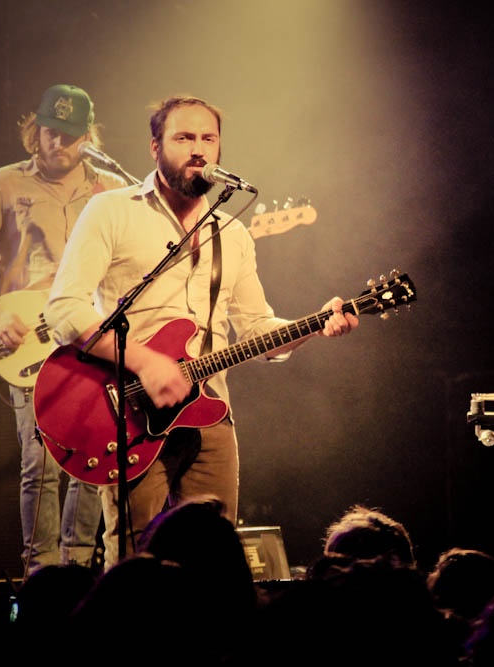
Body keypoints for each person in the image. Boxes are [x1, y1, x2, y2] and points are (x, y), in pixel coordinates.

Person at [43, 94, 359, 568]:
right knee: (136, 559)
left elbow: (256, 327)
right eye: (183, 137)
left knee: (215, 557)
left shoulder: (230, 233)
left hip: (210, 414)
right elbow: (65, 308)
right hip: (126, 411)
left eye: (208, 138)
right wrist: (146, 362)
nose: (198, 149)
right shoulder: (111, 212)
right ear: (155, 147)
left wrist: (316, 324)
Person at [0, 84, 127, 576]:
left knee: (94, 457)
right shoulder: (3, 184)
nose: (57, 144)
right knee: (41, 463)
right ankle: (41, 576)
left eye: (69, 136)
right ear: (35, 131)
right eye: (49, 132)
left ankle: (77, 572)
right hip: (28, 337)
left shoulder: (111, 190)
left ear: (88, 137)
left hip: (90, 334)